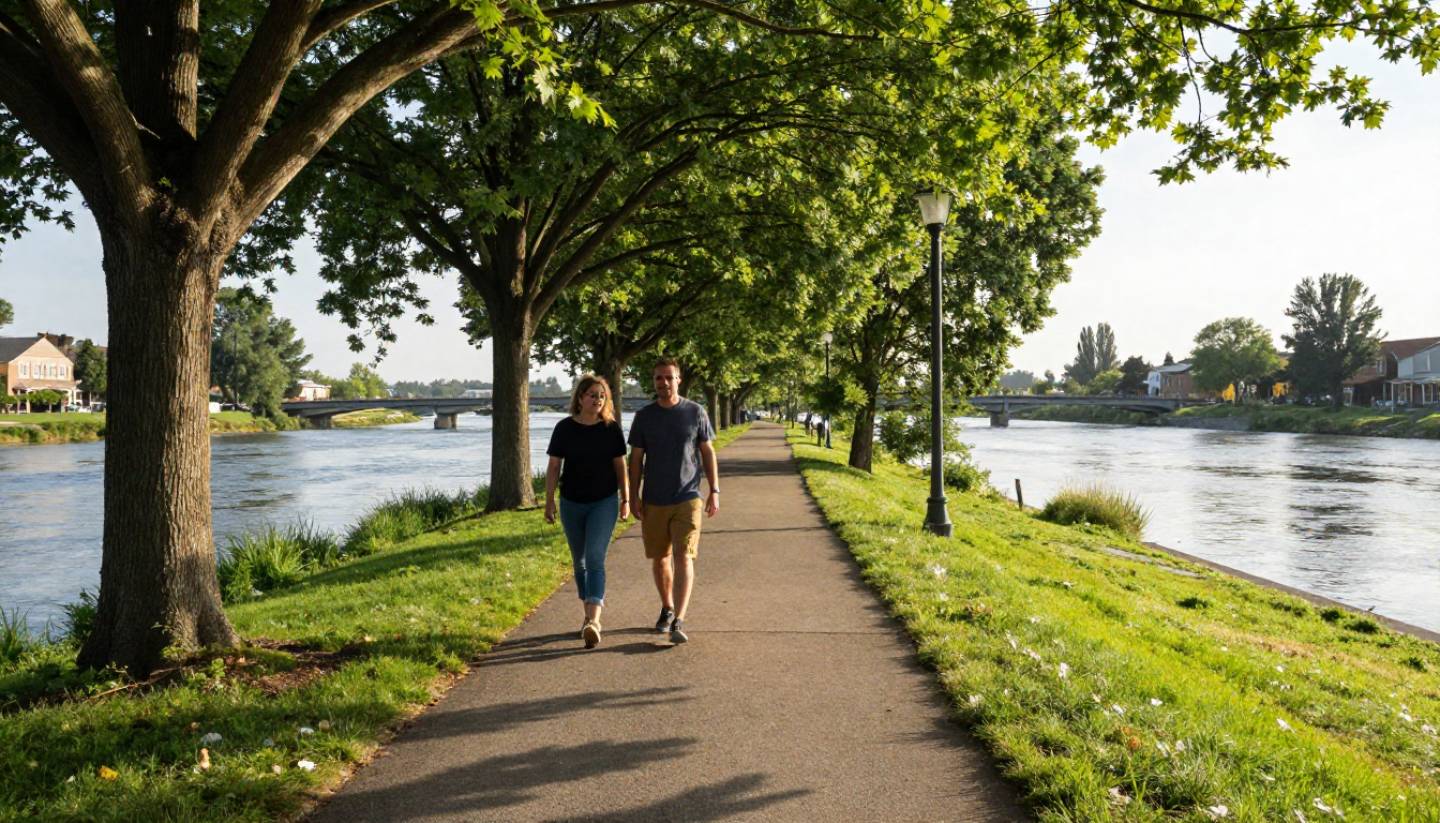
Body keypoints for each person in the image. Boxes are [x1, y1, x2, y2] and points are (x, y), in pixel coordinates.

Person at [628, 357, 719, 644]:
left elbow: (707, 452)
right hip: (654, 498)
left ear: (678, 379)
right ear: (653, 382)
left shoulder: (695, 412)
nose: (664, 383)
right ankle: (666, 607)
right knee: (660, 558)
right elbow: (636, 460)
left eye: (669, 377)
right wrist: (633, 496)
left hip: (688, 496)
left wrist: (714, 489)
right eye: (658, 378)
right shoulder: (644, 417)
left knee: (684, 555)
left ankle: (679, 618)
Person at [545, 375, 629, 649]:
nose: (597, 399)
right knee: (579, 562)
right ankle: (587, 614)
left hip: (603, 501)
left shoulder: (611, 429)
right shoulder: (564, 429)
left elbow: (620, 467)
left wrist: (626, 499)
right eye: (592, 394)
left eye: (601, 395)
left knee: (594, 557)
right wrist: (549, 501)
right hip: (571, 502)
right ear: (580, 398)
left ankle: (594, 620)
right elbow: (554, 467)